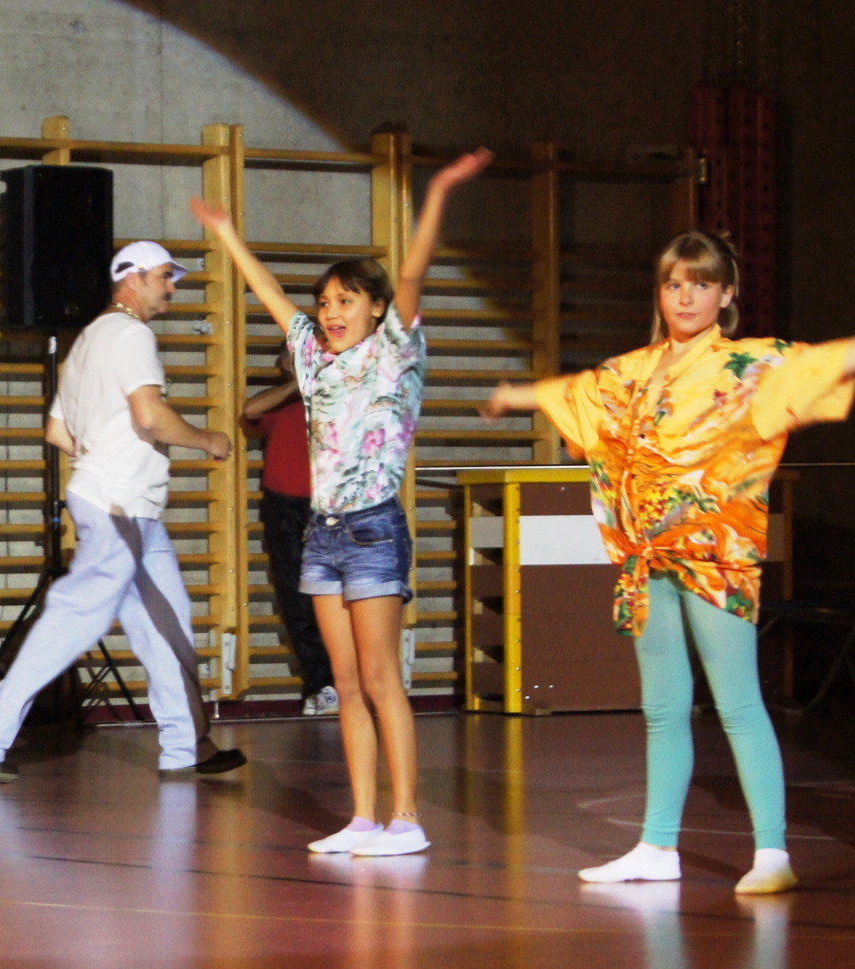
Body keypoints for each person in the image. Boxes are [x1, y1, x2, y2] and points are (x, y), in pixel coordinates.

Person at [482, 230, 855, 894]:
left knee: (738, 703)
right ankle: (657, 845)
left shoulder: (750, 364)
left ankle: (772, 850)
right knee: (662, 707)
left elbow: (826, 362)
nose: (686, 297)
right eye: (674, 284)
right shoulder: (633, 369)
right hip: (645, 558)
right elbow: (581, 391)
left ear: (727, 294)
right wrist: (517, 395)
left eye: (701, 284)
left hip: (714, 557)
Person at [192, 147, 492, 856]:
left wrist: (439, 193)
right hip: (321, 533)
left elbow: (412, 271)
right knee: (346, 682)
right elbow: (270, 293)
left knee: (383, 679)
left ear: (377, 308)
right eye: (325, 302)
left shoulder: (393, 351)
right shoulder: (312, 361)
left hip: (373, 529)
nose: (330, 312)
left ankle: (407, 817)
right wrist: (228, 234)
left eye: (346, 300)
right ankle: (362, 817)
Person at [0, 241, 246, 781]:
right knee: (74, 617)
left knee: (167, 622)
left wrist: (101, 458)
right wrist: (208, 441)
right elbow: (150, 416)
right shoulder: (132, 335)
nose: (172, 287)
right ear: (132, 278)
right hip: (120, 503)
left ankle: (187, 744)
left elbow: (57, 431)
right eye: (164, 276)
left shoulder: (86, 342)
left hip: (123, 502)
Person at [242, 344, 336, 716]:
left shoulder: (335, 393)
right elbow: (250, 411)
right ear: (284, 364)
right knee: (296, 598)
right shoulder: (278, 401)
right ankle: (322, 684)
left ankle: (347, 681)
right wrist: (298, 384)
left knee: (334, 595)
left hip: (328, 504)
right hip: (283, 505)